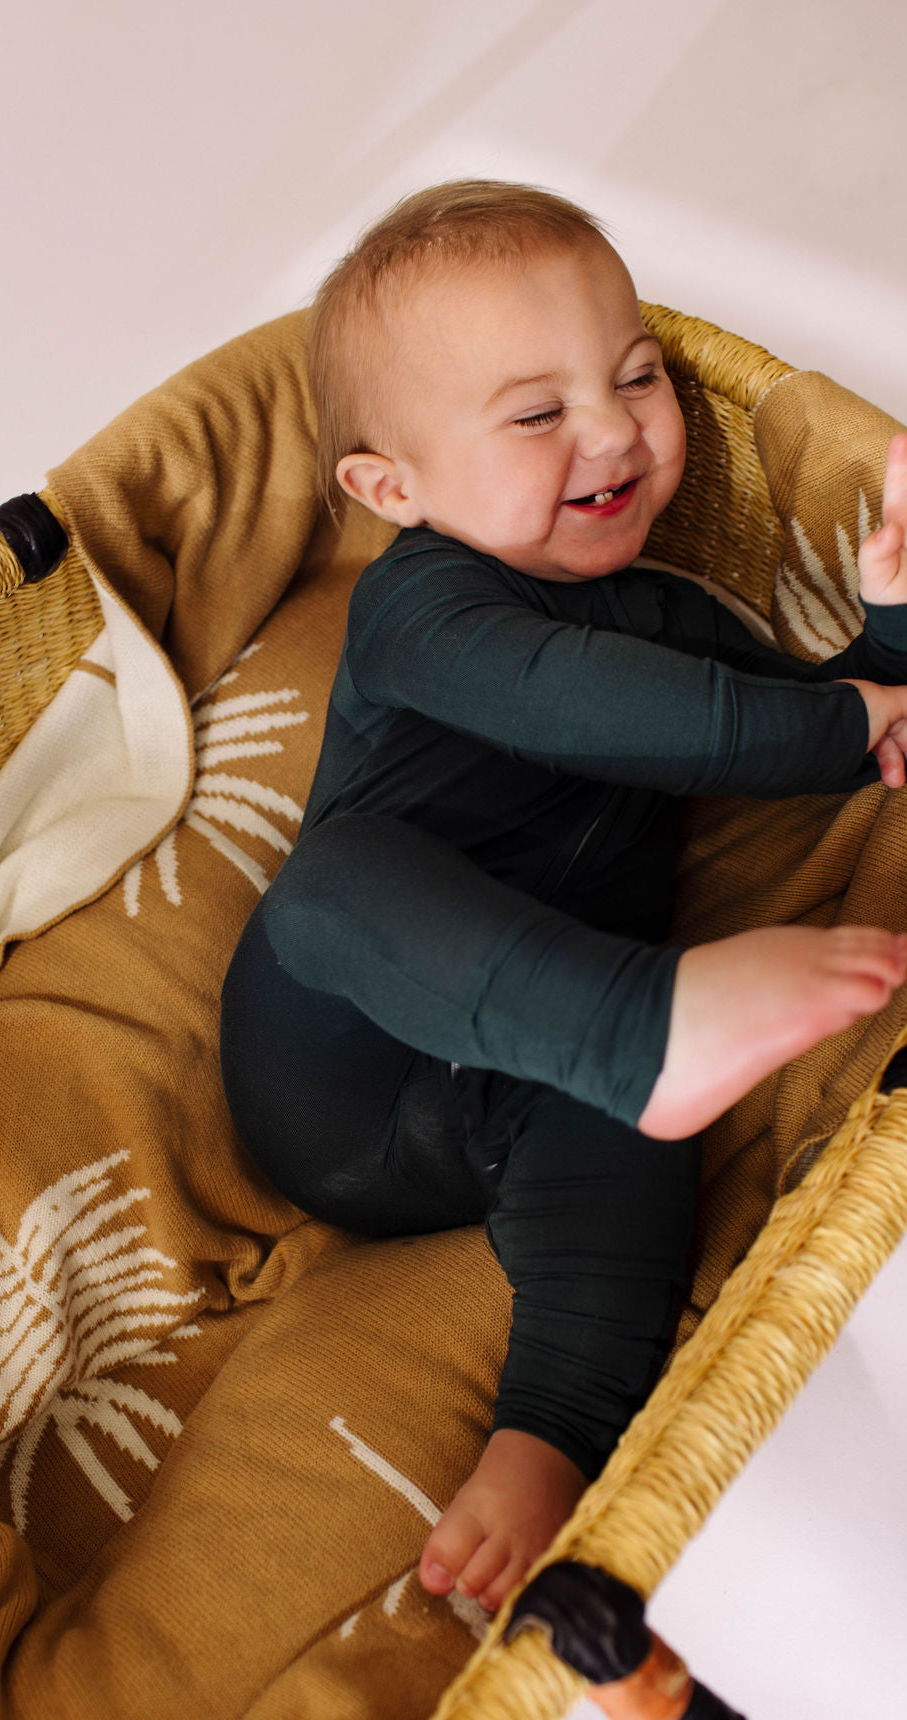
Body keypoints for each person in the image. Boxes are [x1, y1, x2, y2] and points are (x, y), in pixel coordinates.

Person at [220, 179, 907, 1615]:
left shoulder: (659, 612)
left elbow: (820, 725)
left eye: (639, 377)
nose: (614, 432)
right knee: (328, 887)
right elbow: (637, 714)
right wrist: (852, 718)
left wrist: (886, 647)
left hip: (540, 1064)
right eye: (537, 416)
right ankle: (635, 1027)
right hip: (338, 1064)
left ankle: (549, 1435)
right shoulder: (421, 611)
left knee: (636, 1134)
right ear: (390, 489)